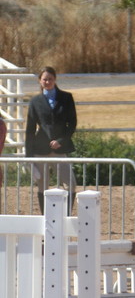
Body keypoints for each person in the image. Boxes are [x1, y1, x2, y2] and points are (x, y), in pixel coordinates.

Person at [25, 66, 77, 213]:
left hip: (60, 148)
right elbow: (29, 129)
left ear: (55, 80)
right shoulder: (35, 101)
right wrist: (28, 156)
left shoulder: (66, 98)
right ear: (40, 81)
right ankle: (45, 217)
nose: (47, 82)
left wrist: (61, 140)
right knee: (43, 185)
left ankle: (65, 216)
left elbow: (72, 123)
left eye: (50, 79)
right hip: (40, 149)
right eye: (44, 79)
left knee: (71, 184)